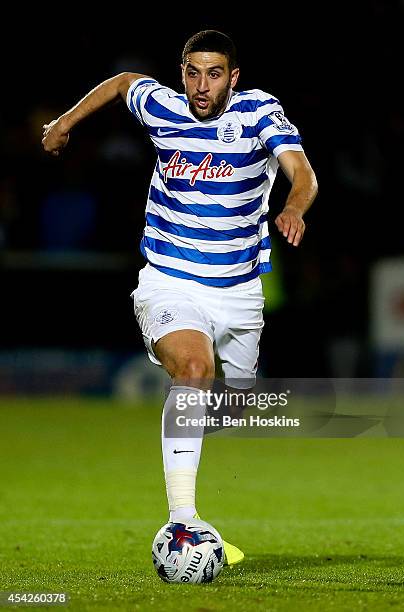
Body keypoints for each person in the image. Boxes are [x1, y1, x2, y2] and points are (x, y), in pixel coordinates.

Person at [42, 30, 318, 565]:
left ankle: (196, 446)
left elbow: (302, 174)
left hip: (238, 293)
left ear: (232, 79)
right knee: (192, 369)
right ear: (182, 73)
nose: (201, 85)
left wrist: (294, 209)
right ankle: (183, 524)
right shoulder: (164, 107)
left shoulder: (260, 112)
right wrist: (63, 124)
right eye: (192, 72)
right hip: (170, 280)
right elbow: (124, 84)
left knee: (228, 404)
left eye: (214, 74)